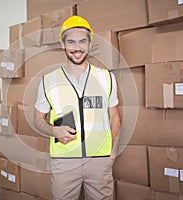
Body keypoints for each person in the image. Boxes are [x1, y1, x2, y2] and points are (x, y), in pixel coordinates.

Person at [34, 15, 121, 200]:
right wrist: (53, 130)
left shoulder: (106, 78)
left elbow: (114, 117)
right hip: (64, 162)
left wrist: (112, 153)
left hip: (100, 160)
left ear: (90, 44)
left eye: (82, 41)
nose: (77, 48)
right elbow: (37, 119)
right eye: (71, 42)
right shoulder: (48, 80)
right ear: (63, 45)